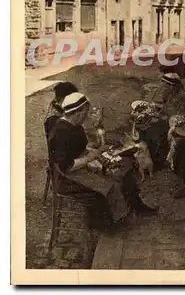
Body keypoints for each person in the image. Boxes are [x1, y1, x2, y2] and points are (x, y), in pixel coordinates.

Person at [48, 92, 158, 229]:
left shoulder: (75, 126)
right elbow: (66, 166)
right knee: (109, 186)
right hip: (68, 179)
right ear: (77, 112)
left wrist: (96, 147)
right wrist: (93, 156)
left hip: (81, 166)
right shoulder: (60, 133)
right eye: (85, 113)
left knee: (124, 169)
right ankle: (110, 226)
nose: (86, 116)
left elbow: (81, 148)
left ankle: (136, 206)